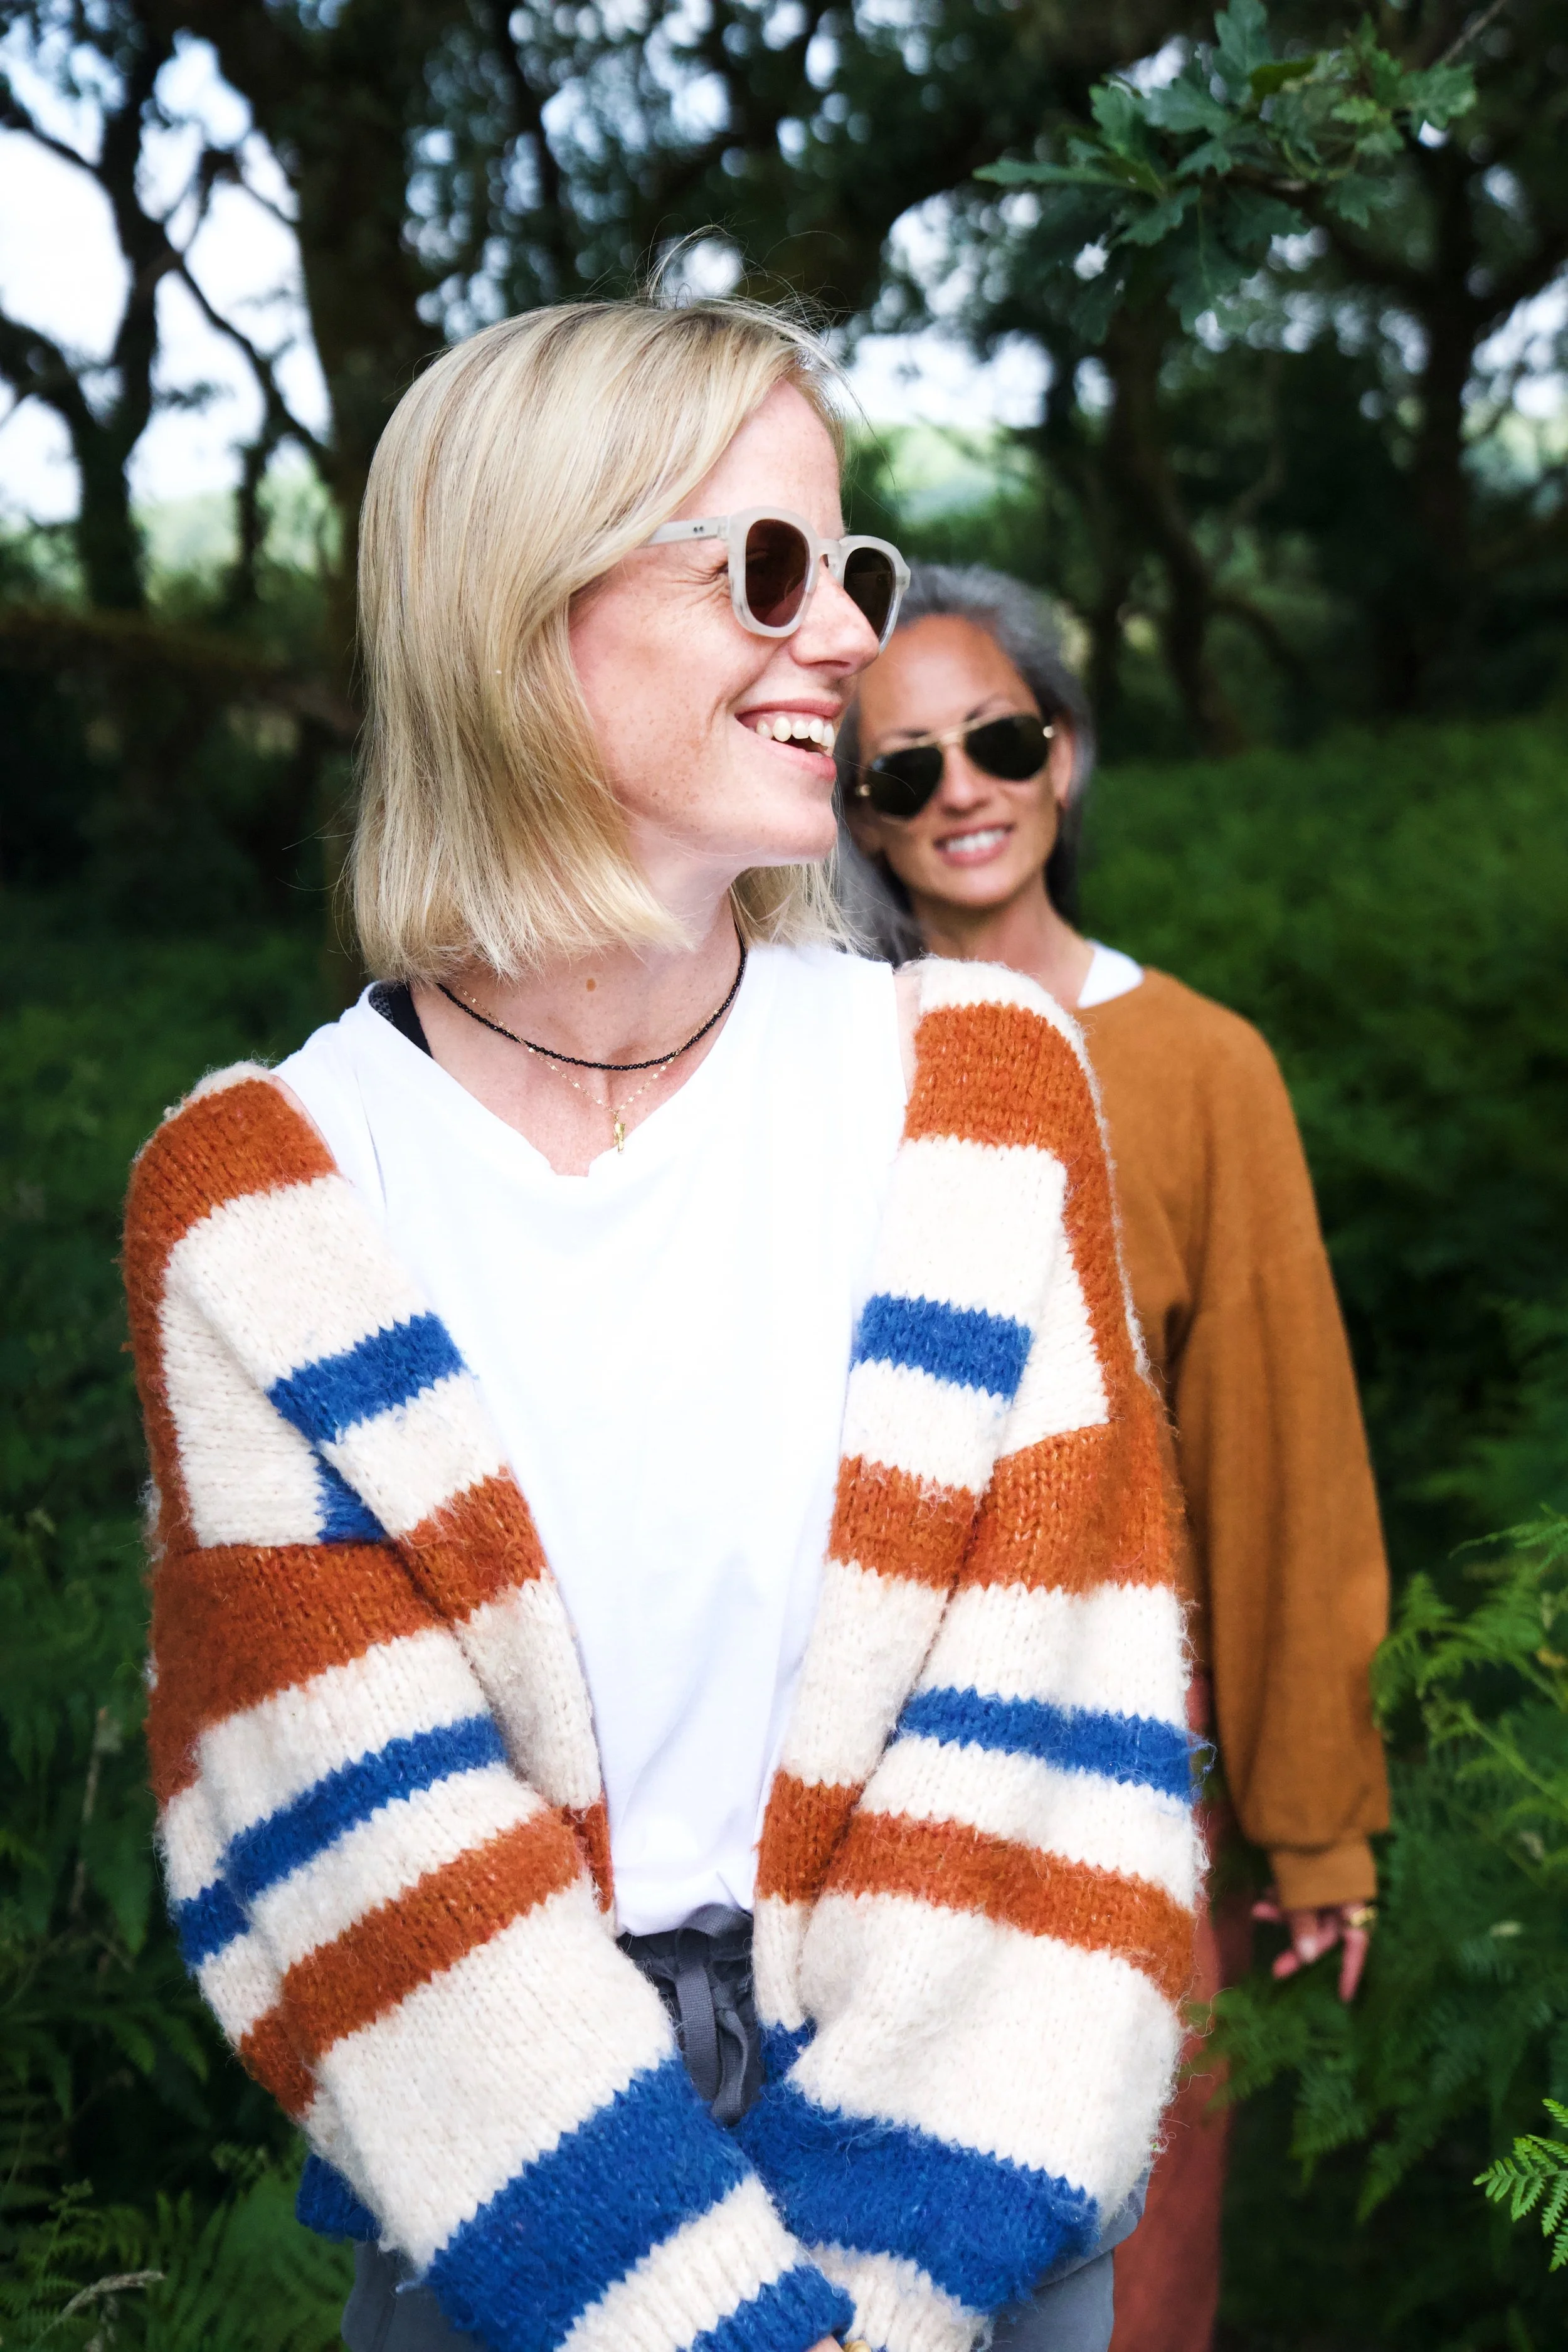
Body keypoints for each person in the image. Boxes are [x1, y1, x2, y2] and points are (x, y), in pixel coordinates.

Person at [121, 304, 1202, 2352]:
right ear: (520, 607)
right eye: (764, 570)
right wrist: (687, 2313)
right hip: (505, 2238)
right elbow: (351, 1832)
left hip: (973, 2223)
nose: (841, 642)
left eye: (850, 573)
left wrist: (883, 2280)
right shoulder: (261, 1204)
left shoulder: (981, 1094)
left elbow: (1061, 1723)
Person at [837, 564, 1391, 2352]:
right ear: (849, 812)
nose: (960, 792)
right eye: (901, 767)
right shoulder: (811, 1065)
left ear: (1061, 754)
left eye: (995, 740)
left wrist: (1310, 1817)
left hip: (1136, 1777)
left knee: (1134, 2269)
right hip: (857, 1783)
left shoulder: (1201, 1066)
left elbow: (1276, 1449)